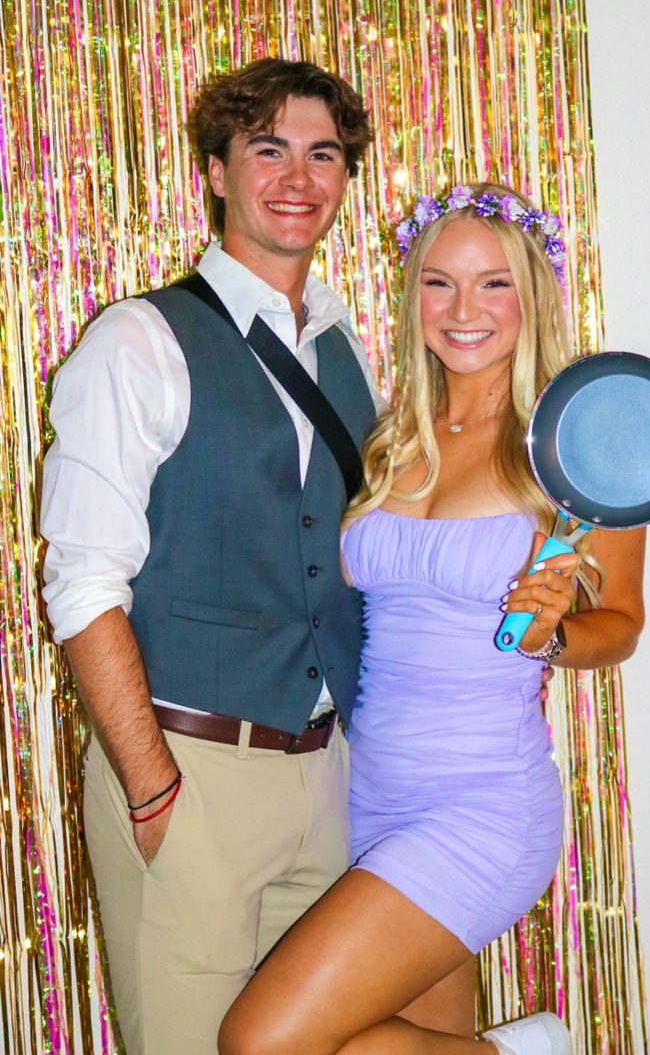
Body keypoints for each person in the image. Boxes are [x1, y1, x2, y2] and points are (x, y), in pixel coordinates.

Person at [217, 184, 646, 1055]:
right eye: (439, 283)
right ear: (412, 296)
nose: (463, 310)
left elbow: (625, 624)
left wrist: (555, 634)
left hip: (481, 804)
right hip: (368, 794)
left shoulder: (575, 450)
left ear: (532, 295)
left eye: (494, 284)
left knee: (261, 1042)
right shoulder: (390, 437)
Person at [40, 58, 380, 1055]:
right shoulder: (137, 341)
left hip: (329, 775)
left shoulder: (344, 347)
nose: (297, 176)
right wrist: (153, 792)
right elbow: (83, 582)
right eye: (266, 147)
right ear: (216, 172)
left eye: (323, 153)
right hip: (191, 769)